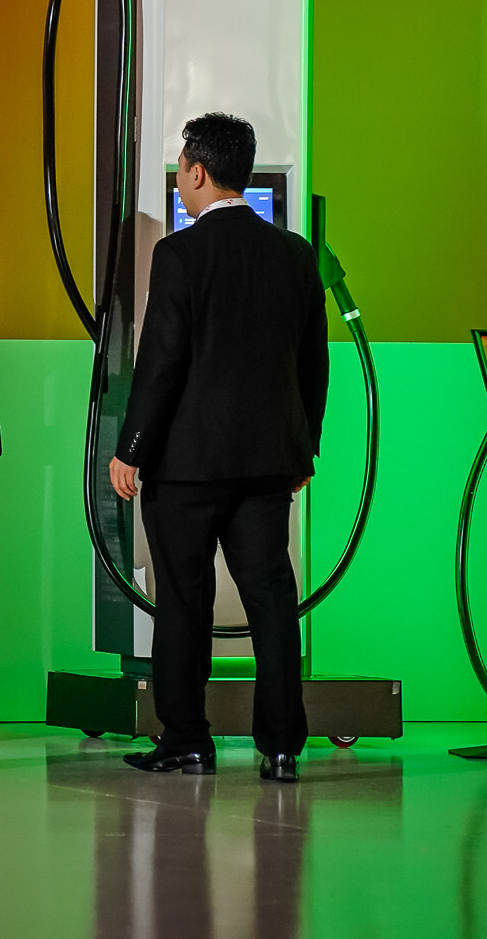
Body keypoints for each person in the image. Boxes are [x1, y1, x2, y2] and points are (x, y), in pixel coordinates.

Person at [107, 112, 327, 783]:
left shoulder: (178, 255)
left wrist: (131, 447)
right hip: (268, 465)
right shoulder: (294, 254)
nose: (180, 175)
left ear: (197, 172)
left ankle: (187, 740)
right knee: (272, 601)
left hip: (186, 467)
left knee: (183, 600)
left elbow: (162, 361)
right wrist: (302, 453)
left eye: (180, 165)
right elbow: (314, 363)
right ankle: (283, 745)